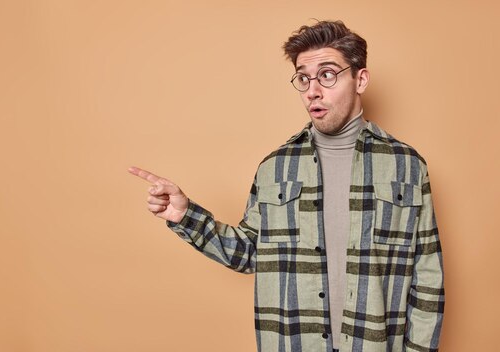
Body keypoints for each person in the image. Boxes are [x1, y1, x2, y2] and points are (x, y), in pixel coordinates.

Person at [128, 20, 444, 352]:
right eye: (304, 77)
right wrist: (184, 216)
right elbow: (250, 253)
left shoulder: (407, 166)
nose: (312, 90)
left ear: (360, 79)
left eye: (327, 74)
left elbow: (428, 277)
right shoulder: (274, 168)